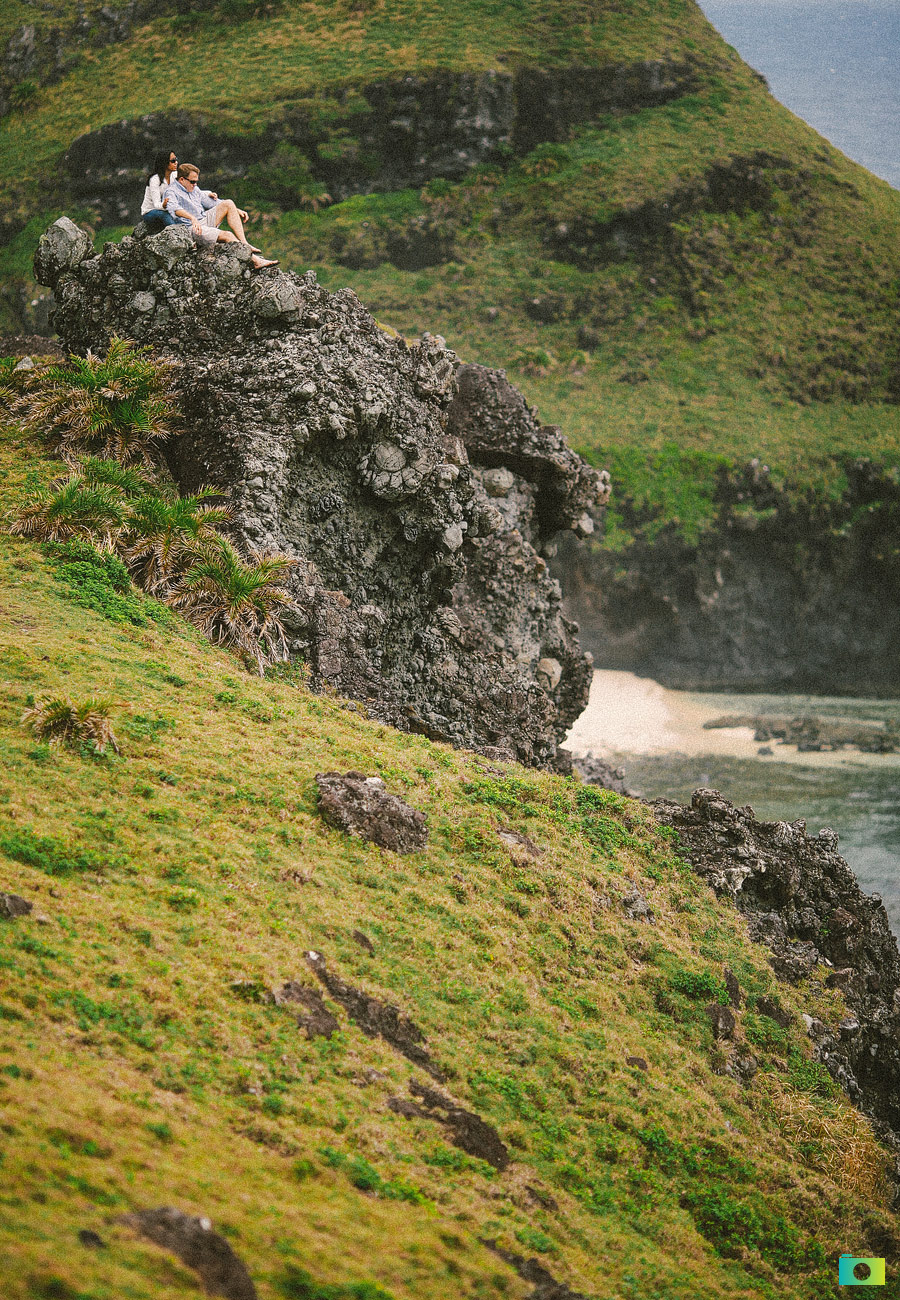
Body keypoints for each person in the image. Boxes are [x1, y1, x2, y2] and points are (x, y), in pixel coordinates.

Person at [164, 162, 278, 270]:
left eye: (196, 182)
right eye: (193, 182)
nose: (195, 184)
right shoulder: (171, 192)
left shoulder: (194, 189)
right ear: (182, 179)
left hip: (202, 219)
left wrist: (236, 210)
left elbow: (211, 202)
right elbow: (174, 209)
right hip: (190, 228)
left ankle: (244, 243)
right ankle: (256, 261)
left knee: (228, 203)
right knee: (227, 235)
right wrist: (192, 218)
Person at [141, 149, 179, 231]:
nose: (176, 162)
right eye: (173, 161)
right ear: (164, 163)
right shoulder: (155, 179)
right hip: (151, 212)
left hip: (169, 208)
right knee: (165, 214)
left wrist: (207, 194)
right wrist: (164, 205)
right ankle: (177, 234)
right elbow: (156, 204)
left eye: (176, 159)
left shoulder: (175, 175)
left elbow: (189, 188)